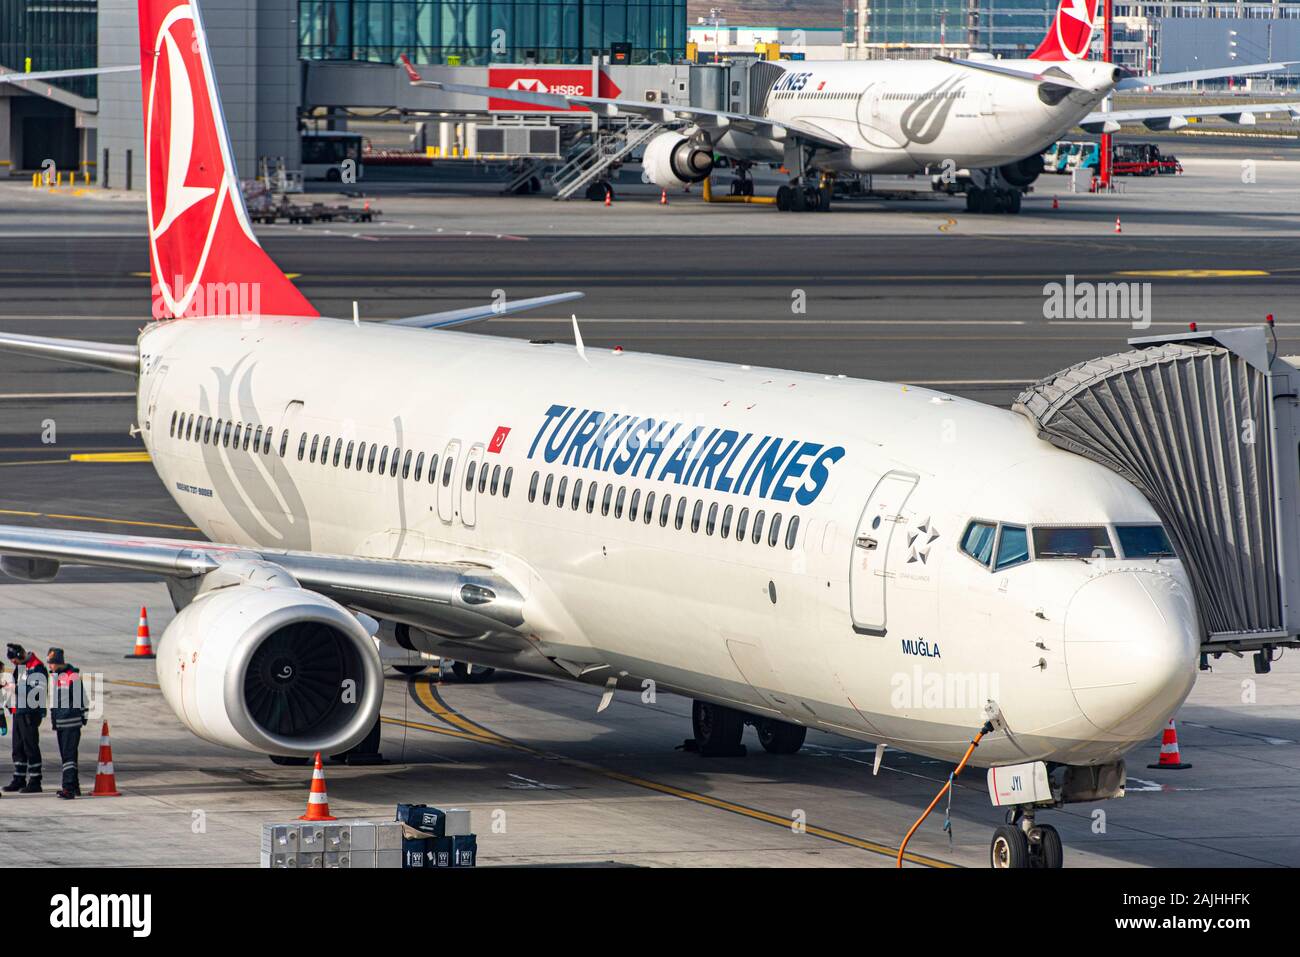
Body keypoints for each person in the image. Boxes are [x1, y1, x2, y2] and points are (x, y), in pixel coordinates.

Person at [3, 643, 47, 793]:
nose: (13, 663)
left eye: (14, 659)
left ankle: (35, 781)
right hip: (19, 711)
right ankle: (19, 778)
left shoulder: (36, 667)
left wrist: (16, 688)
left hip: (30, 712)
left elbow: (37, 691)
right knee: (18, 747)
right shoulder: (21, 667)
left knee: (30, 746)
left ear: (21, 655)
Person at [47, 648, 87, 799]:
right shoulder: (58, 677)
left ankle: (68, 788)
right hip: (62, 723)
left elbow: (82, 700)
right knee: (67, 757)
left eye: (51, 663)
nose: (49, 666)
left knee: (68, 756)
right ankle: (74, 786)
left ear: (57, 662)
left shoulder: (72, 677)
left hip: (71, 722)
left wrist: (82, 718)